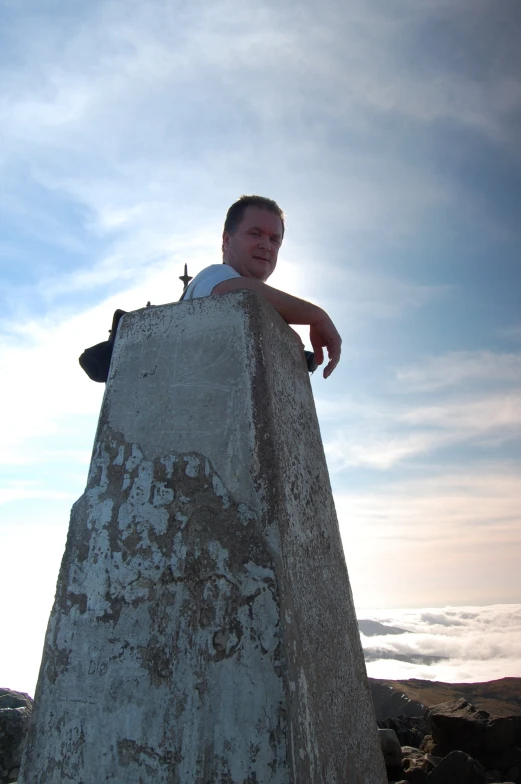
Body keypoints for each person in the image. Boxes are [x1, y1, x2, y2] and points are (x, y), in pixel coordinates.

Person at [183, 195, 341, 379]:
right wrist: (317, 316)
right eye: (255, 234)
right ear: (227, 240)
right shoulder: (213, 276)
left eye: (274, 240)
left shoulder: (269, 308)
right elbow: (237, 294)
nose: (266, 246)